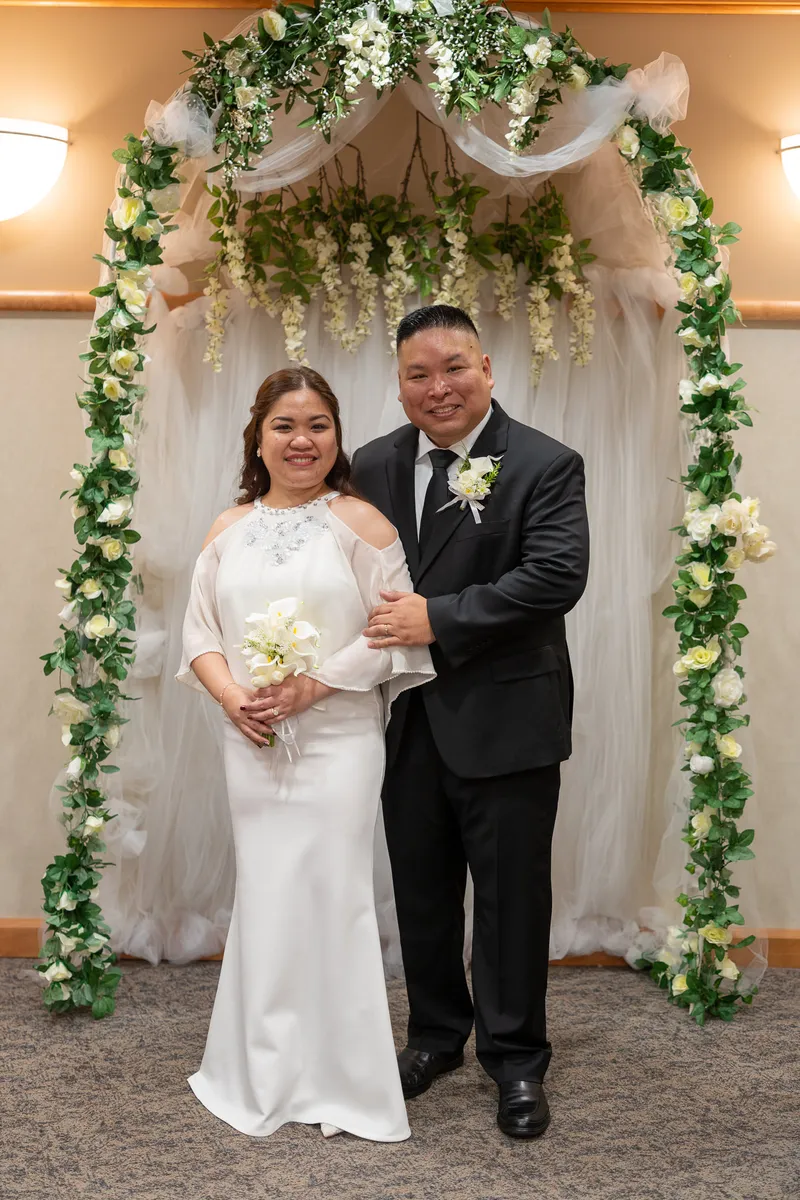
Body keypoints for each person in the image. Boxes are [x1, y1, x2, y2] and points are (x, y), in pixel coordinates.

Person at [176, 366, 434, 1142]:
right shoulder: (226, 528)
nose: (302, 440)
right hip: (249, 735)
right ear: (259, 434)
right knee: (266, 890)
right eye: (286, 425)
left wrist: (310, 688)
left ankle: (343, 1077)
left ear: (336, 435)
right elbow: (199, 636)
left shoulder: (364, 526)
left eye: (318, 424)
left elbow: (389, 637)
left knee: (333, 890)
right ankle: (258, 1067)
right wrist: (235, 701)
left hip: (337, 739)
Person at [351, 305, 590, 1139]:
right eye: (418, 374)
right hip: (403, 718)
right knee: (421, 891)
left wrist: (436, 618)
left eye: (453, 368)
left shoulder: (543, 463)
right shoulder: (372, 463)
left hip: (508, 717)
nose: (437, 388)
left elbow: (554, 577)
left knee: (510, 900)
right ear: (401, 383)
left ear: (486, 368)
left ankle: (517, 1060)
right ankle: (435, 1037)